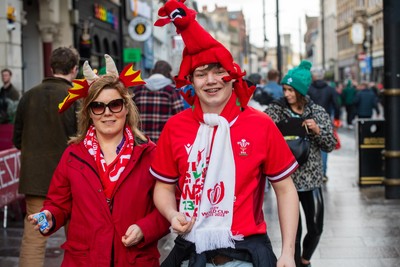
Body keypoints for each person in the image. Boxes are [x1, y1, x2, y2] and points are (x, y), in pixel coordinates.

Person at [152, 1, 299, 266]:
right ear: (191, 80)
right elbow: (163, 186)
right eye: (201, 74)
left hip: (245, 254)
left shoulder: (261, 124)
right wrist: (172, 213)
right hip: (191, 253)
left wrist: (288, 252)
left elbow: (285, 189)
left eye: (218, 71)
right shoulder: (175, 127)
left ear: (232, 76)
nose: (211, 81)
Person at [28, 55, 170, 266]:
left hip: (134, 259)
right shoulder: (74, 155)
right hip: (85, 260)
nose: (107, 113)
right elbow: (58, 202)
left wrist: (144, 228)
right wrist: (51, 215)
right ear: (89, 112)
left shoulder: (149, 153)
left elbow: (167, 208)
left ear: (126, 107)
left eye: (115, 105)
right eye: (98, 106)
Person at [264, 60, 337, 267]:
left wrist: (317, 131)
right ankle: (294, 262)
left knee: (315, 227)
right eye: (285, 89)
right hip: (287, 180)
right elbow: (262, 130)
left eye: (291, 90)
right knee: (293, 232)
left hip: (312, 178)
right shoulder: (276, 110)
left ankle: (305, 260)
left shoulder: (317, 112)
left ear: (301, 91)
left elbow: (330, 144)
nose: (286, 94)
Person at [13, 47, 80, 267]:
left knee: (34, 238)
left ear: (51, 67)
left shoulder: (28, 96)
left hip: (36, 180)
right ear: (74, 69)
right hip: (70, 181)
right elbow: (83, 140)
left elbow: (17, 138)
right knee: (77, 239)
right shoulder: (75, 98)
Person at [132, 60, 184, 143]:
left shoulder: (138, 90)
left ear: (153, 71)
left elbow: (130, 115)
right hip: (164, 141)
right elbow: (180, 117)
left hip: (141, 141)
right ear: (168, 73)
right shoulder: (172, 90)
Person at [307, 68, 340, 182]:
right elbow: (337, 105)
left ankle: (313, 171)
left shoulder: (309, 89)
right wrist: (337, 120)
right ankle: (323, 173)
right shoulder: (330, 89)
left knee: (312, 146)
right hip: (326, 119)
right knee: (324, 147)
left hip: (310, 120)